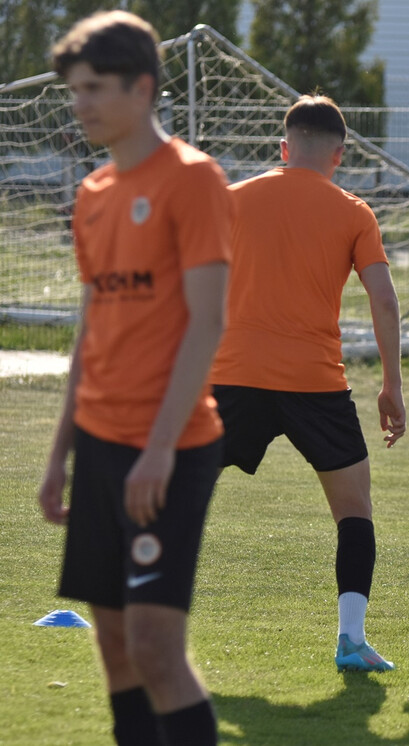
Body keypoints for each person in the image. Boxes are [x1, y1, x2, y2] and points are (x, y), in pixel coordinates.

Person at [37, 11, 231, 745]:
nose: (80, 103)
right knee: (115, 651)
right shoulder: (92, 195)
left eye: (94, 88)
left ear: (142, 87)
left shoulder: (192, 179)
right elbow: (92, 331)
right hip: (99, 444)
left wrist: (156, 449)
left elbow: (205, 323)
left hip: (171, 450)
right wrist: (61, 453)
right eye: (74, 90)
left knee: (155, 649)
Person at [208, 94, 405, 672]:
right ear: (339, 156)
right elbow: (386, 302)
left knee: (175, 495)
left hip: (232, 376)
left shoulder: (231, 199)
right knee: (354, 511)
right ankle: (350, 640)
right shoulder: (353, 211)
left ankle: (135, 613)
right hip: (315, 384)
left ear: (283, 148)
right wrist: (392, 385)